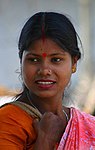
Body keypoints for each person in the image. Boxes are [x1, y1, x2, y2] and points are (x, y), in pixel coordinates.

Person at [0, 12, 95, 150]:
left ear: (74, 63)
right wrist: (45, 140)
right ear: (21, 62)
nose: (44, 70)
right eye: (34, 59)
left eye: (56, 59)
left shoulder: (88, 126)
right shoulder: (9, 121)